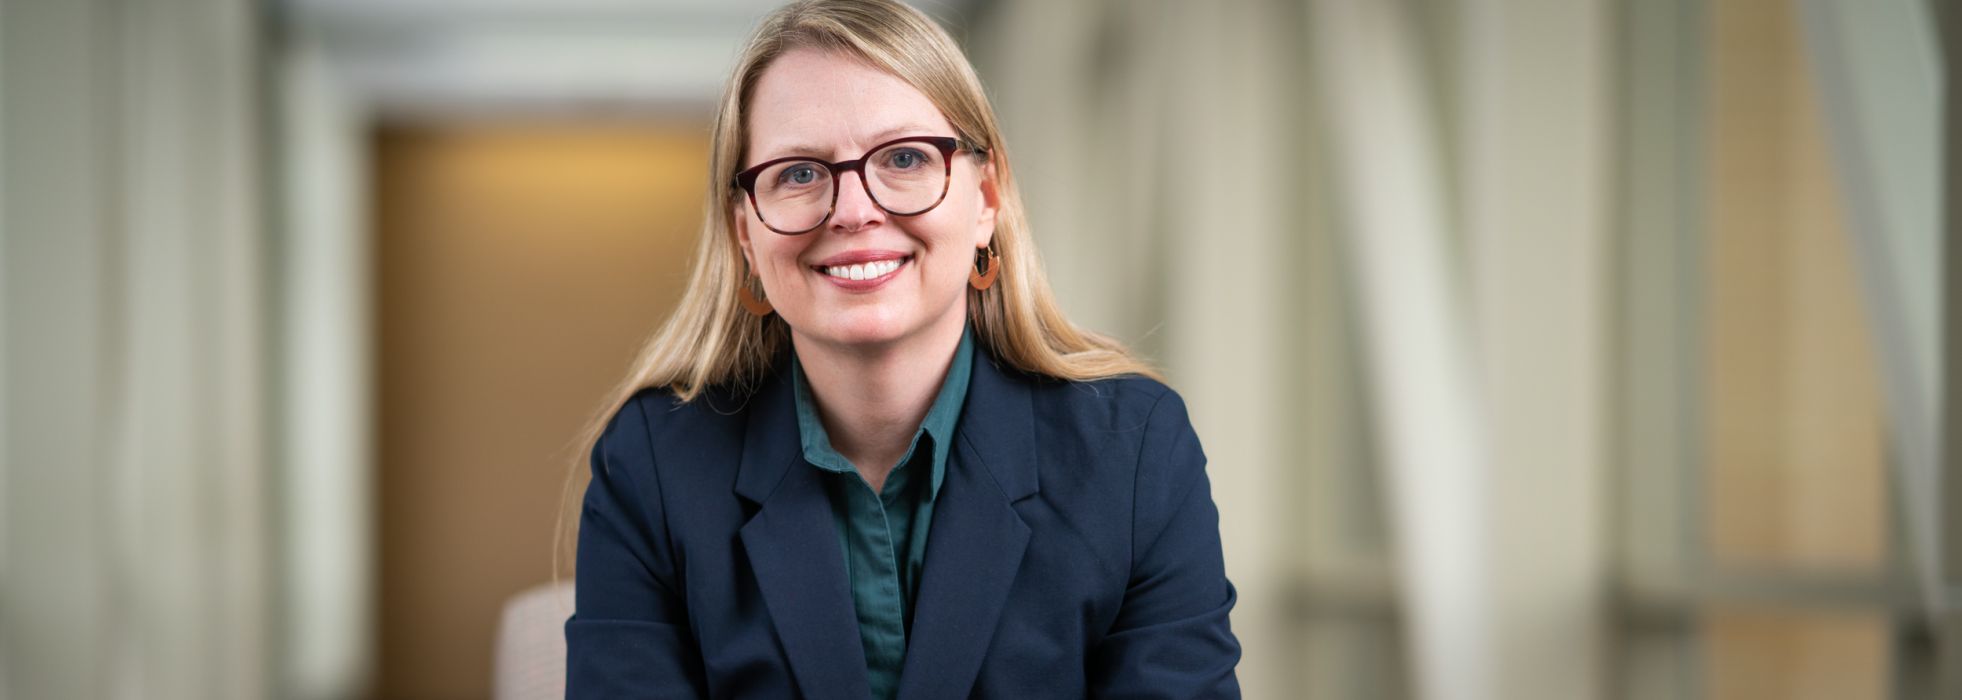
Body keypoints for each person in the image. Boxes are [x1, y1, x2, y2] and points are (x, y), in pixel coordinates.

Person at [563, 1, 1240, 697]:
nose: (854, 210)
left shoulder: (1134, 456)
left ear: (986, 197)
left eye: (906, 158)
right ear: (745, 234)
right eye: (798, 172)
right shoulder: (651, 466)